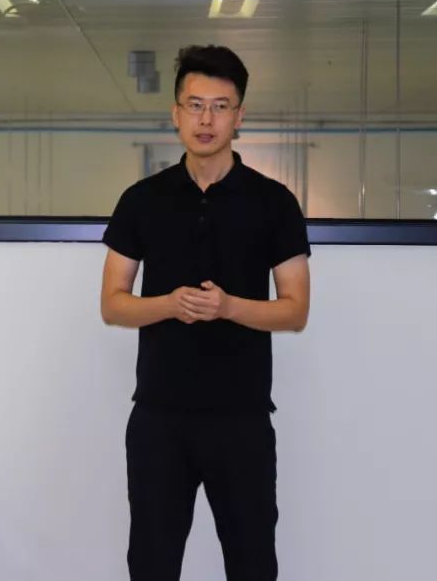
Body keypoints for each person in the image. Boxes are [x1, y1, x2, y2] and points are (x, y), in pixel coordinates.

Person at [100, 45, 311, 581]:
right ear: (176, 113)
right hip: (158, 417)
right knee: (151, 564)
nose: (206, 119)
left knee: (252, 564)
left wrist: (230, 307)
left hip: (242, 418)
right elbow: (112, 304)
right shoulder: (141, 199)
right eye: (195, 105)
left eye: (220, 107)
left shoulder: (274, 202)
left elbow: (295, 311)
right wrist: (170, 304)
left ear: (239, 116)